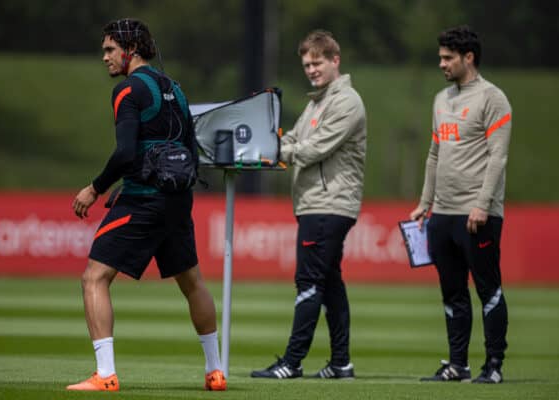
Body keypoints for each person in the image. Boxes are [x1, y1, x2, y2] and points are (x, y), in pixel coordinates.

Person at [67, 18, 226, 392]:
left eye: (110, 49)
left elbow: (124, 153)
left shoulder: (127, 91)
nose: (104, 57)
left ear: (131, 50)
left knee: (94, 277)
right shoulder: (178, 89)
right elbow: (190, 151)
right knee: (193, 283)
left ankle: (105, 375)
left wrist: (95, 188)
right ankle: (215, 372)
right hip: (178, 201)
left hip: (144, 201)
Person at [251, 30, 367, 380]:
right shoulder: (317, 102)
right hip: (316, 203)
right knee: (330, 283)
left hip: (329, 204)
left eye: (317, 62)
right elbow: (296, 139)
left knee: (309, 280)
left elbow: (315, 148)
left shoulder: (347, 101)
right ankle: (341, 363)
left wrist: (268, 151)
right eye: (306, 65)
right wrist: (272, 145)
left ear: (335, 61)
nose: (311, 70)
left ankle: (292, 362)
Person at [410, 25, 512, 384]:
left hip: (476, 213)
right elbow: (434, 155)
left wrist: (483, 204)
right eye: (440, 57)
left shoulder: (492, 98)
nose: (442, 63)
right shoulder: (441, 99)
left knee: (488, 289)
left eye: (448, 57)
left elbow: (498, 158)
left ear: (469, 57)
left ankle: (494, 365)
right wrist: (425, 203)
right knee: (451, 291)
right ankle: (458, 365)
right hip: (443, 212)